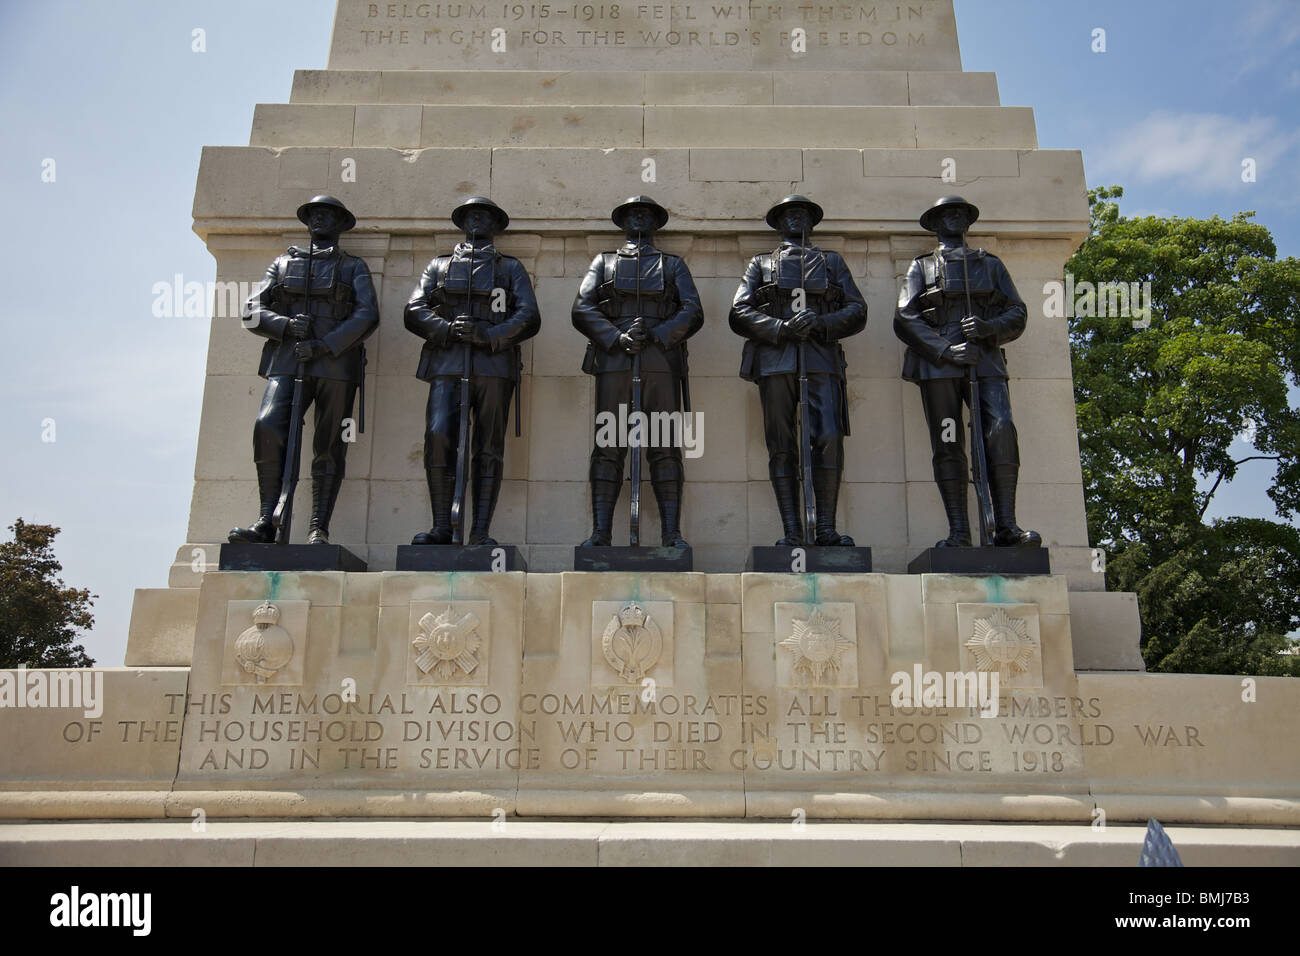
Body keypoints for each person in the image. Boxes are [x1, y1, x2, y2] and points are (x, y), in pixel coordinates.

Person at [893, 195, 1040, 548]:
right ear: (936, 222)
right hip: (940, 365)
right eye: (947, 214)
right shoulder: (922, 267)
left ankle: (1006, 525)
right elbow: (904, 317)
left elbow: (1017, 312)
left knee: (1001, 429)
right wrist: (945, 349)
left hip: (985, 360)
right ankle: (959, 530)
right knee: (947, 441)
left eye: (960, 213)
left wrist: (989, 329)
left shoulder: (989, 264)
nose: (955, 218)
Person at [229, 195, 377, 545]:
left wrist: (324, 344)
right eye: (315, 214)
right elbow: (252, 311)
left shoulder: (352, 267)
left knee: (330, 444)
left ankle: (317, 526)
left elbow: (367, 314)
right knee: (268, 426)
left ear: (341, 224)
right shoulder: (281, 264)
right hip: (288, 359)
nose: (320, 220)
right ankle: (267, 519)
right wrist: (284, 325)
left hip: (336, 364)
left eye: (328, 215)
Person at [729, 195, 867, 546]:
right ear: (777, 223)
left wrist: (821, 322)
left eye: (802, 214)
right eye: (789, 214)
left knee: (829, 438)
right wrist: (781, 328)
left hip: (821, 359)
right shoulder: (760, 264)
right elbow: (739, 312)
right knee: (782, 445)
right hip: (776, 361)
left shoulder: (832, 262)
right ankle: (792, 531)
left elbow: (857, 310)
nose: (796, 219)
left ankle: (825, 528)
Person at [404, 197, 540, 546]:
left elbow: (528, 316)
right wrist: (447, 328)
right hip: (448, 361)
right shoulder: (438, 266)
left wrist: (489, 335)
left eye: (486, 216)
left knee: (488, 445)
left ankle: (480, 530)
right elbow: (414, 308)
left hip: (494, 364)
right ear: (462, 223)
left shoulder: (510, 268)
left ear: (497, 225)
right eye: (471, 216)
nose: (478, 221)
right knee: (438, 438)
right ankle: (442, 527)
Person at [571, 196, 703, 547]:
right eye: (632, 214)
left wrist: (660, 334)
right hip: (614, 360)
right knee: (609, 444)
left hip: (661, 360)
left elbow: (692, 310)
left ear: (656, 223)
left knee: (665, 445)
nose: (639, 219)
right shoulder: (604, 262)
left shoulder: (673, 265)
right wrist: (617, 337)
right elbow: (582, 309)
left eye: (645, 214)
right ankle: (600, 533)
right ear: (623, 222)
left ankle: (671, 534)